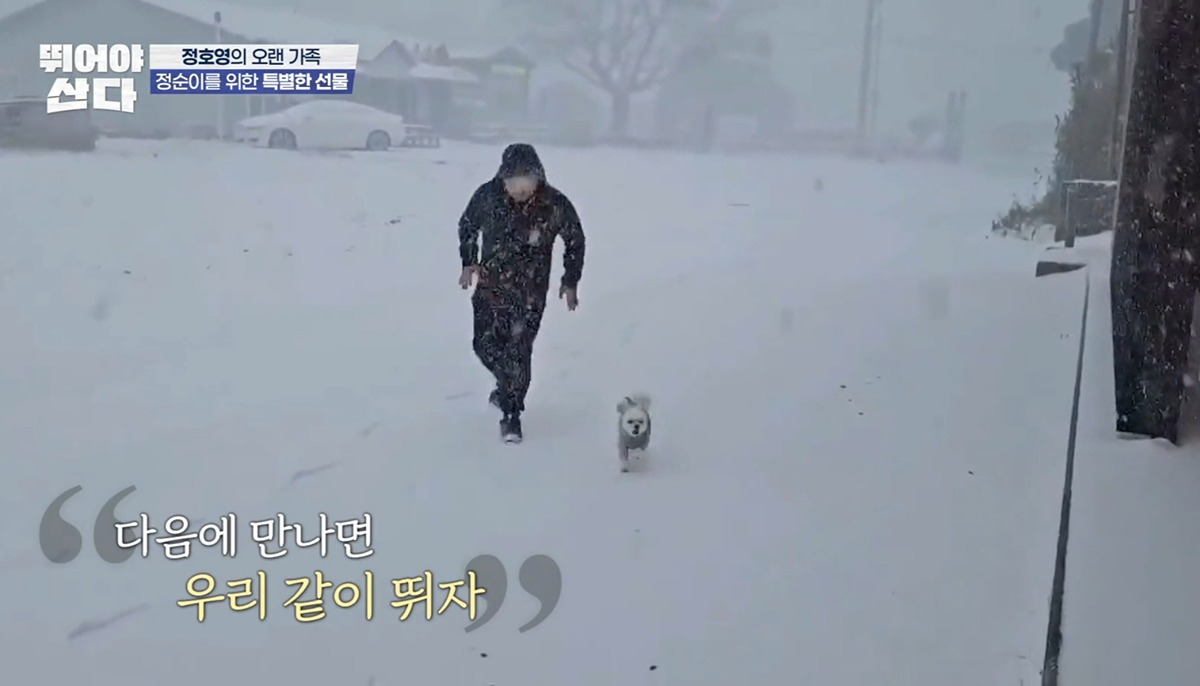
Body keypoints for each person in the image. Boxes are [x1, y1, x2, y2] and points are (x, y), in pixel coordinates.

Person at [458, 143, 586, 442]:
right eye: (512, 183)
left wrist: (570, 281)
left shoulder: (553, 203)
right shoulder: (488, 196)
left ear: (538, 178)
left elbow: (575, 239)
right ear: (503, 179)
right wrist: (468, 261)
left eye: (525, 182)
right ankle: (506, 386)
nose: (519, 189)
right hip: (490, 286)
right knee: (483, 344)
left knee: (518, 349)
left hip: (530, 291)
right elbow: (467, 225)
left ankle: (511, 414)